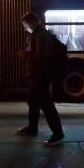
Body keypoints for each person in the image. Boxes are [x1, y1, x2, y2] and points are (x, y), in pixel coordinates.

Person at [17, 12, 64, 146]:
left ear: (33, 22)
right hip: (35, 75)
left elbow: (41, 57)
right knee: (32, 101)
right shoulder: (36, 35)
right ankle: (32, 127)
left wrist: (24, 54)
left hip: (41, 76)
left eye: (25, 25)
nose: (24, 27)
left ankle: (58, 133)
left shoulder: (42, 35)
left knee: (46, 105)